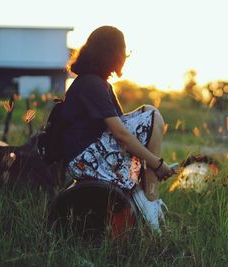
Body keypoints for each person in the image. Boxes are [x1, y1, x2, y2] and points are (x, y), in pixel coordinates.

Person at [60, 26, 175, 233]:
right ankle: (150, 196)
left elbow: (122, 127)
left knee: (148, 110)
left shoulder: (98, 83)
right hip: (84, 159)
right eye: (123, 51)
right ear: (112, 53)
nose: (125, 57)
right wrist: (157, 164)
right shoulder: (91, 84)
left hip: (91, 152)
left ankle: (148, 188)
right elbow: (121, 134)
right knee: (152, 115)